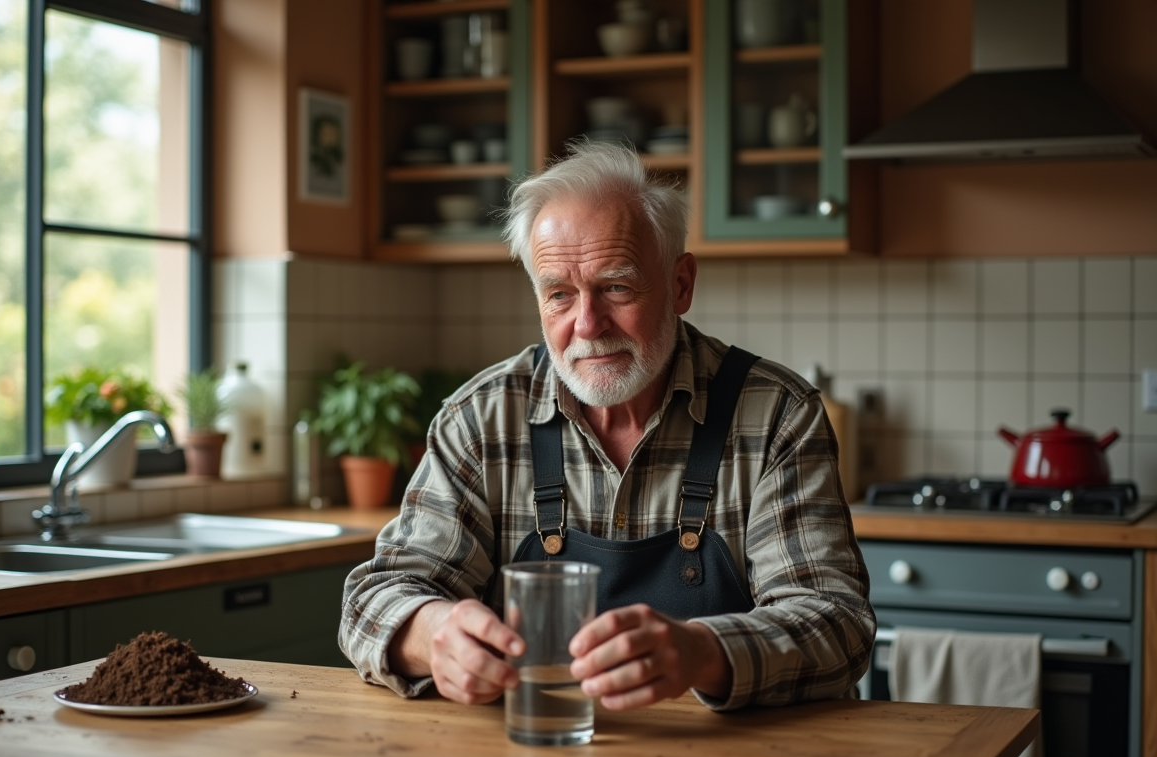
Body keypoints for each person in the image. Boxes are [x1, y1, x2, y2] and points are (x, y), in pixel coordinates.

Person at [339, 140, 874, 712]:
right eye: (559, 295)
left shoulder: (777, 416)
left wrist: (702, 651)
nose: (587, 325)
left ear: (680, 284)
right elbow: (373, 597)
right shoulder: (481, 419)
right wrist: (431, 631)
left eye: (616, 287)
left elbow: (836, 622)